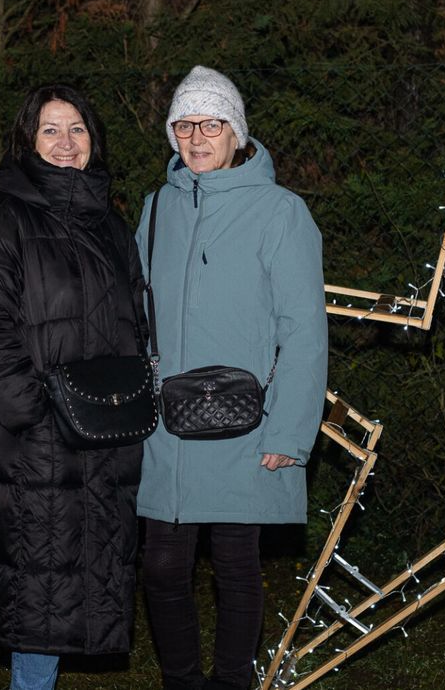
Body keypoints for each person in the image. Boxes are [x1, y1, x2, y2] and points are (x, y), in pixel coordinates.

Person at [136, 65, 329, 690]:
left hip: (248, 421)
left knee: (235, 563)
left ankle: (231, 683)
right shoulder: (156, 207)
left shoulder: (281, 211)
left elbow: (303, 327)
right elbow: (137, 311)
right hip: (167, 419)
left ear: (236, 133)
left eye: (211, 122)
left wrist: (290, 432)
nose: (197, 136)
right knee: (162, 567)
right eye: (185, 124)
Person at [0, 84, 146, 690]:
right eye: (50, 130)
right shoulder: (6, 214)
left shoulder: (111, 221)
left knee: (73, 590)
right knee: (39, 599)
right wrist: (29, 411)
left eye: (77, 130)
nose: (66, 143)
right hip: (39, 447)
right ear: (27, 142)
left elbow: (134, 323)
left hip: (104, 436)